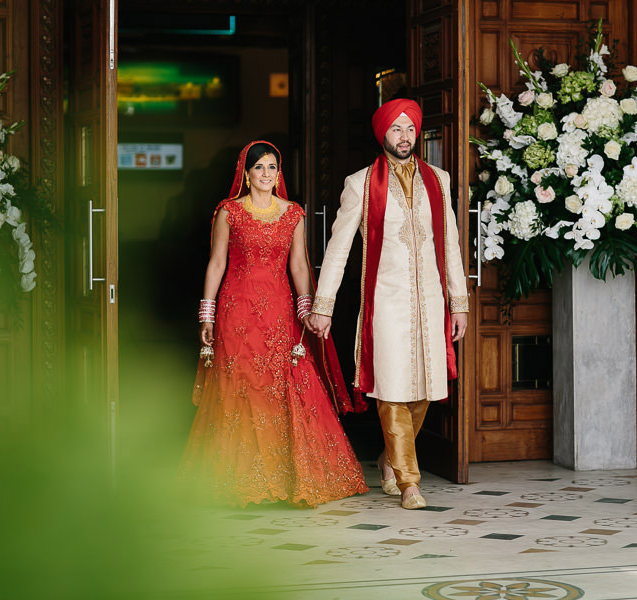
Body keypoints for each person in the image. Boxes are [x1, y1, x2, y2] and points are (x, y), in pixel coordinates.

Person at [181, 141, 368, 508]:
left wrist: (307, 311)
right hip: (236, 314)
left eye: (272, 167)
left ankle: (291, 479)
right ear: (246, 174)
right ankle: (238, 482)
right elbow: (216, 264)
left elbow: (299, 266)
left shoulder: (293, 214)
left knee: (286, 387)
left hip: (280, 314)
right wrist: (206, 313)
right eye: (259, 168)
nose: (266, 174)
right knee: (242, 389)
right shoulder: (228, 212)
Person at [306, 100, 469, 510]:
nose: (404, 137)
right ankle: (410, 483)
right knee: (392, 390)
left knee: (426, 391)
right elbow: (339, 247)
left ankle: (388, 459)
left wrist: (459, 301)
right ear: (382, 135)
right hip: (386, 302)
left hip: (430, 302)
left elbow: (449, 243)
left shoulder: (440, 180)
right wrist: (323, 304)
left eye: (409, 129)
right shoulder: (361, 183)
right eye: (396, 129)